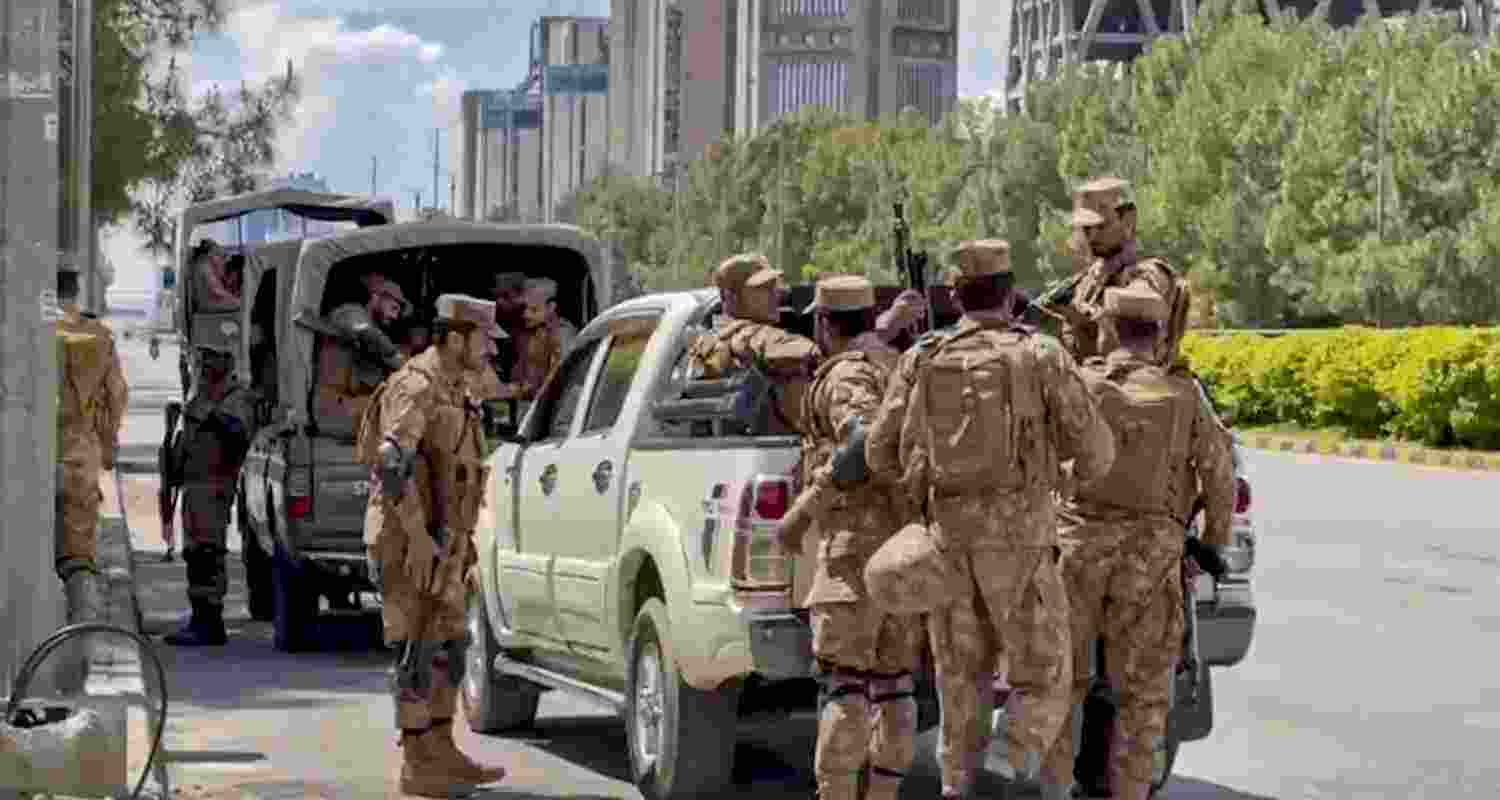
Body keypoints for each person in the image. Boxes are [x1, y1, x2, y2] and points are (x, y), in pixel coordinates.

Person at [865, 239, 1116, 800]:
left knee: (961, 684)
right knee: (1048, 674)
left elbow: (881, 453)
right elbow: (1097, 453)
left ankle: (960, 786)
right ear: (1012, 294)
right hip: (1023, 545)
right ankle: (1004, 766)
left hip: (946, 545)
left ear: (955, 295)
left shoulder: (922, 357)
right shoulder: (1041, 354)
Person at [1039, 282, 1235, 800]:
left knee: (1061, 691)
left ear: (1108, 329)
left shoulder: (1081, 382)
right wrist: (1213, 545)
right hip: (1150, 565)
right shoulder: (1183, 393)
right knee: (1142, 701)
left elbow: (1037, 461)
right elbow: (1220, 476)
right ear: (1160, 332)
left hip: (1077, 557)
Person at [359, 294, 508, 796]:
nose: (490, 349)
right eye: (484, 338)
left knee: (451, 646)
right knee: (415, 649)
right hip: (408, 542)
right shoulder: (416, 386)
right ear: (455, 337)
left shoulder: (458, 387)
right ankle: (417, 762)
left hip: (446, 545)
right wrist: (419, 538)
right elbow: (391, 465)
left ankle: (443, 749)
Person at [780, 275, 923, 800]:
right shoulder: (895, 365)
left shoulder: (844, 377)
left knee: (846, 687)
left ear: (822, 322)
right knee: (894, 689)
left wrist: (803, 510)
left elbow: (861, 441)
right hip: (904, 552)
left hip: (854, 553)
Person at [53, 269, 129, 660]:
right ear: (75, 290)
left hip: (26, 459)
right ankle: (78, 653)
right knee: (78, 558)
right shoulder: (98, 338)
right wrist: (108, 445)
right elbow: (116, 396)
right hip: (79, 455)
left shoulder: (24, 328)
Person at [163, 342, 257, 646]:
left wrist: (209, 415)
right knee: (194, 552)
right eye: (201, 359)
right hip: (195, 483)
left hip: (214, 484)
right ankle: (200, 618)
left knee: (206, 552)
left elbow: (238, 434)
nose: (203, 365)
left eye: (210, 359)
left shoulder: (235, 396)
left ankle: (209, 621)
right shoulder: (200, 391)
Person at [1037, 177, 1188, 365]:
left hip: (1141, 385)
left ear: (1128, 221)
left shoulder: (1150, 272)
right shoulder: (1086, 282)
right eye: (1086, 228)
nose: (1092, 236)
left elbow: (1140, 304)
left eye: (1101, 226)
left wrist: (1095, 320)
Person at [685, 252, 821, 433]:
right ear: (730, 297)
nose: (776, 294)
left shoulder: (715, 341)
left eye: (774, 286)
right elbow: (808, 354)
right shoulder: (746, 336)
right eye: (763, 288)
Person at [314, 272, 410, 437]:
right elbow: (366, 332)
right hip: (333, 410)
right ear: (375, 298)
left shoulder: (375, 338)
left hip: (351, 409)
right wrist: (398, 359)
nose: (395, 316)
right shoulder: (351, 313)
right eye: (393, 308)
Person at [524, 276, 578, 352]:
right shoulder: (536, 331)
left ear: (551, 307)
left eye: (534, 309)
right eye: (524, 308)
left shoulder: (563, 335)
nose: (526, 315)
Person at [188, 239, 242, 312]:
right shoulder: (204, 266)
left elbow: (217, 289)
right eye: (217, 254)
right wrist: (234, 299)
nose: (219, 258)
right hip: (206, 304)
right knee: (241, 304)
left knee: (239, 302)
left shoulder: (202, 264)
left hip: (207, 301)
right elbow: (217, 290)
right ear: (210, 253)